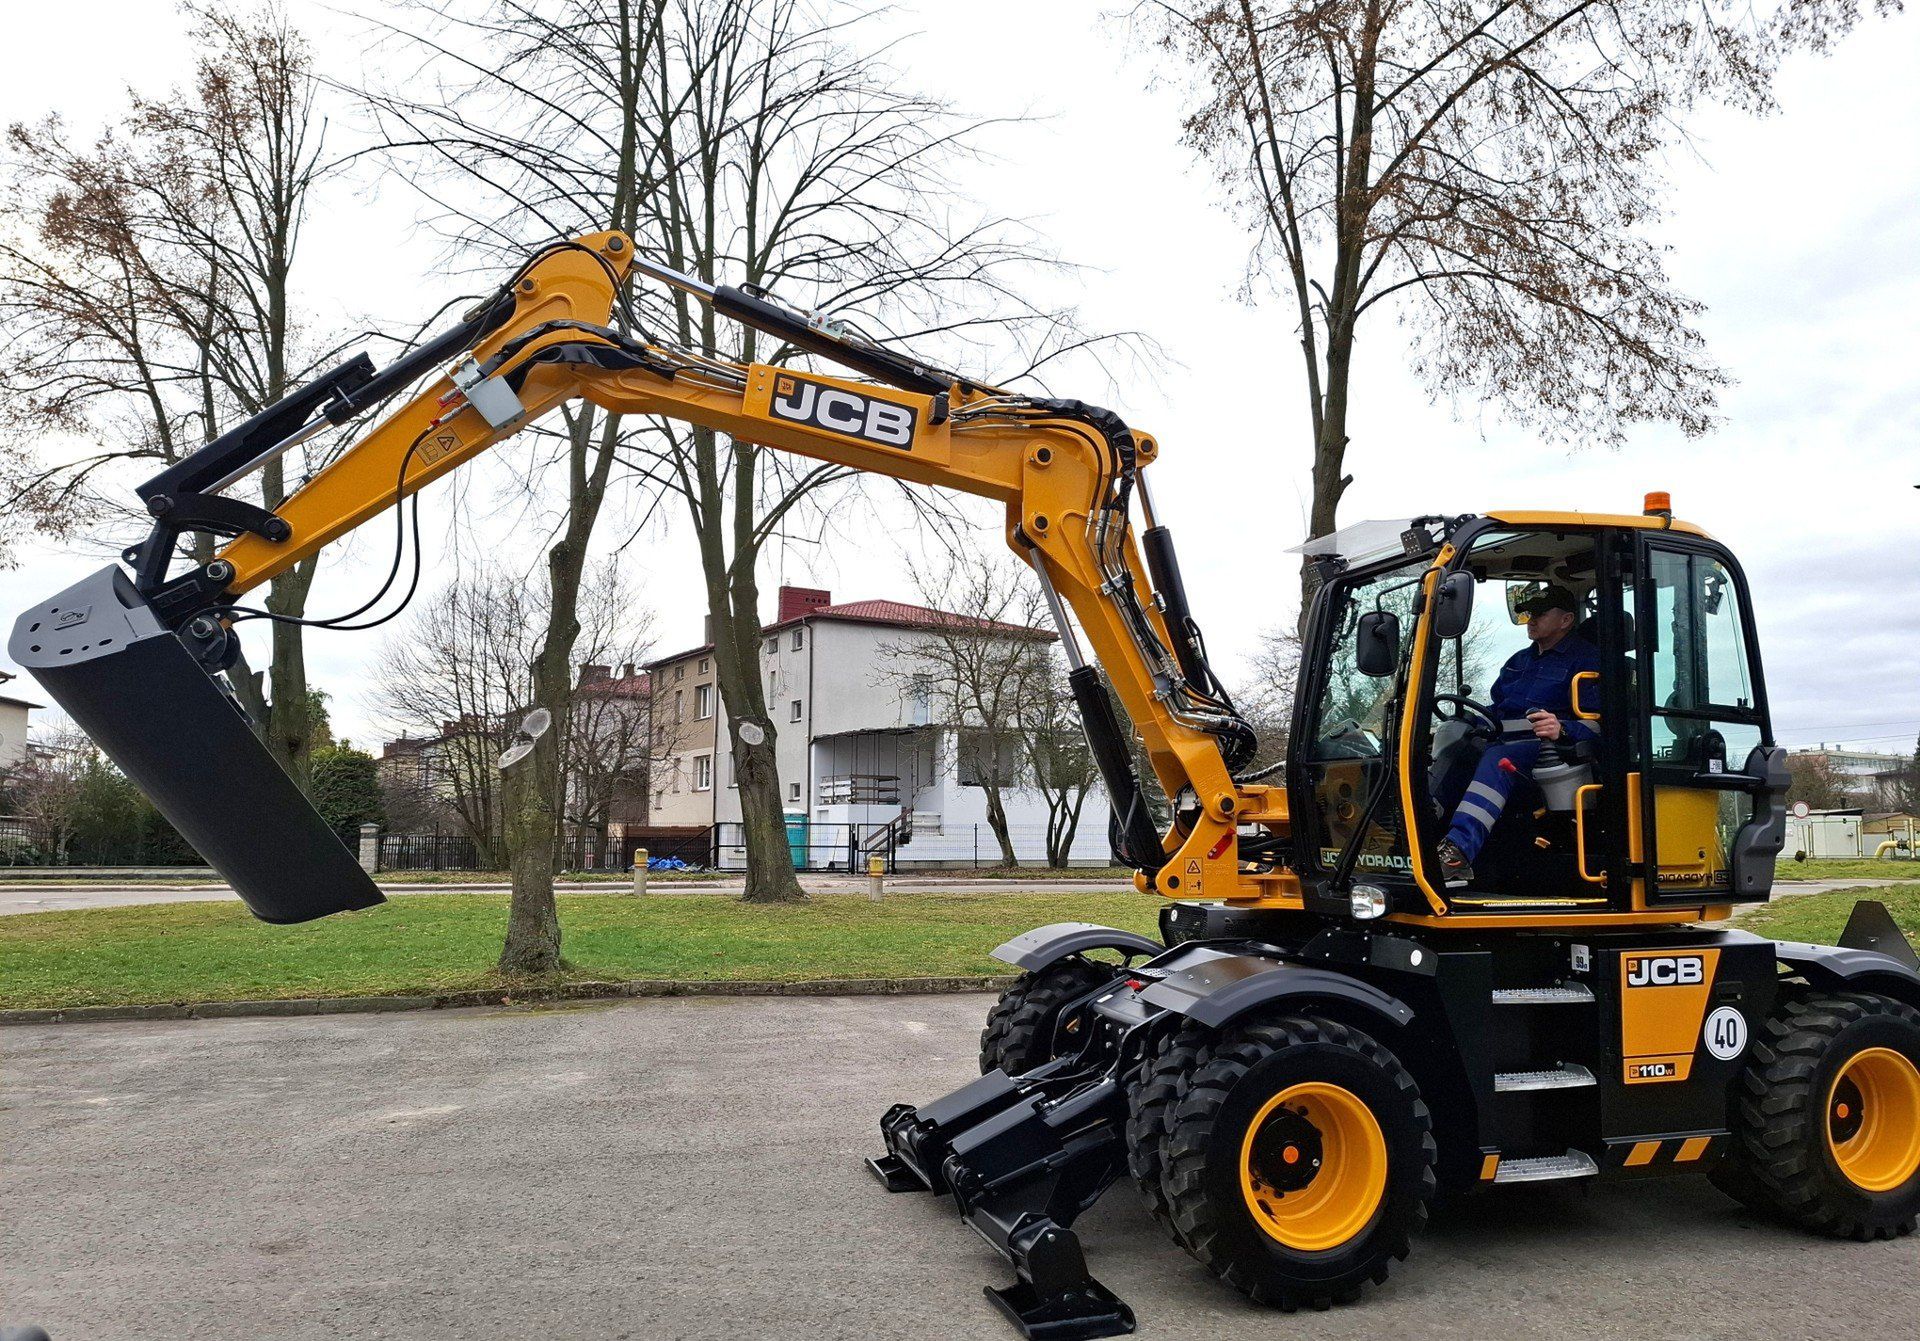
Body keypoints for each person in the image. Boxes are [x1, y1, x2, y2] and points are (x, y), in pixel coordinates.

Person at [1436, 584, 1599, 885]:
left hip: (1548, 752)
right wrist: (1465, 719)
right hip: (1503, 743)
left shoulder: (1588, 660)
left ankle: (1456, 854)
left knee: (1499, 760)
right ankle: (1422, 831)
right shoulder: (1518, 662)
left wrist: (1562, 728)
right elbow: (1498, 708)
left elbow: (1601, 723)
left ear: (1565, 620)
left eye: (1539, 614)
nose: (1531, 620)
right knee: (1456, 748)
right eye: (1528, 614)